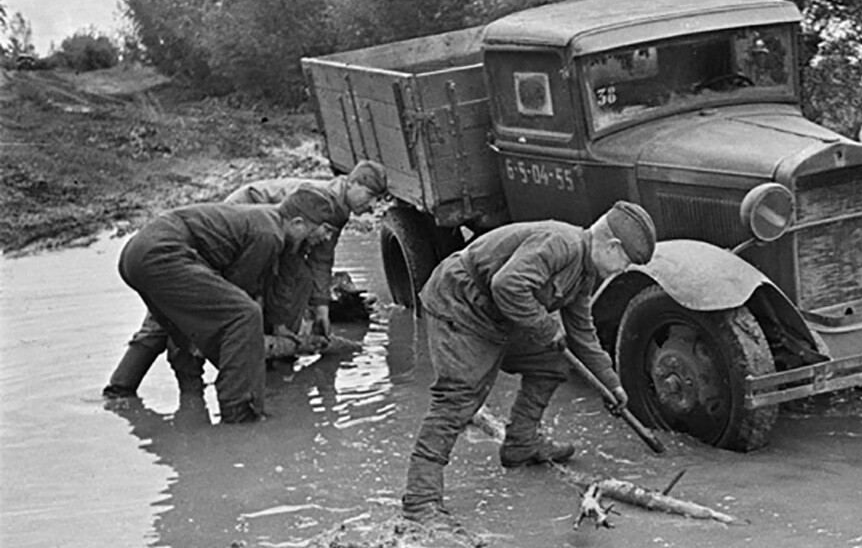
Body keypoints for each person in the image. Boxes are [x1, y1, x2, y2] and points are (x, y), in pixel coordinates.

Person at [402, 201, 657, 524]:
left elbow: (582, 333)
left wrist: (612, 384)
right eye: (625, 262)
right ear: (613, 245)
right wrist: (544, 326)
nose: (622, 270)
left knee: (551, 361)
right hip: (461, 304)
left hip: (499, 316)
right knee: (458, 398)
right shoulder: (560, 243)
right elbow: (507, 285)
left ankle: (521, 442)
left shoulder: (584, 273)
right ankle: (420, 500)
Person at [103, 160, 388, 398]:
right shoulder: (320, 203)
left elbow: (318, 261)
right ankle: (130, 388)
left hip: (260, 231)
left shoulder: (336, 209)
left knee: (197, 308)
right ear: (352, 183)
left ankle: (199, 388)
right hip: (244, 221)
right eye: (371, 196)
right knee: (193, 309)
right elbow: (273, 268)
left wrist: (321, 306)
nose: (373, 206)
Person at [117, 199, 336, 423]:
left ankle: (122, 393)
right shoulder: (270, 234)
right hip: (162, 253)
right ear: (298, 223)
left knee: (181, 328)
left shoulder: (267, 220)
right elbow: (239, 288)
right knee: (245, 314)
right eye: (324, 228)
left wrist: (276, 327)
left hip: (135, 254)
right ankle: (239, 414)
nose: (327, 237)